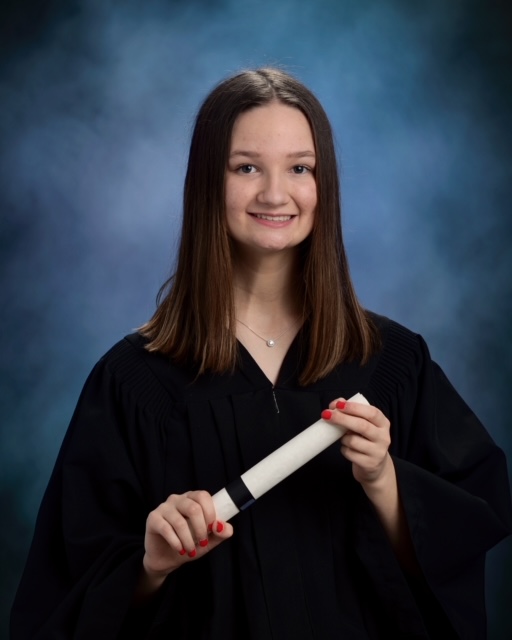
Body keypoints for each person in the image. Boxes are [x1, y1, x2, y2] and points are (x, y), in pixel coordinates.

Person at [11, 67, 512, 639]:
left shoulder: (392, 363)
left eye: (300, 168)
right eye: (247, 168)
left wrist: (384, 478)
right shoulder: (135, 383)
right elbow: (62, 594)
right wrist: (150, 565)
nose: (276, 194)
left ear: (324, 184)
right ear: (208, 182)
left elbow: (468, 537)